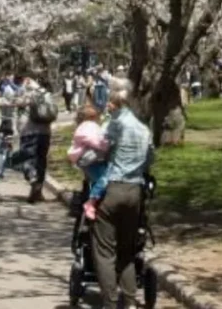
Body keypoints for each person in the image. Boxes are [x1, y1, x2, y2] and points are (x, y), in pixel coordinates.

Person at [92, 79, 153, 309]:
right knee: (127, 250)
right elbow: (149, 160)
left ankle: (110, 301)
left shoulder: (116, 125)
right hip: (134, 191)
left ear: (117, 102)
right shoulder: (143, 129)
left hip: (113, 188)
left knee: (105, 250)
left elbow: (100, 149)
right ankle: (129, 302)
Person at [8, 78, 57, 203]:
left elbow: (12, 102)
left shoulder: (26, 93)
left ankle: (33, 181)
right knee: (41, 161)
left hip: (29, 131)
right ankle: (38, 191)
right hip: (45, 132)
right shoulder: (46, 94)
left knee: (26, 159)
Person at [67, 103, 111, 220]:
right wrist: (107, 144)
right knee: (103, 179)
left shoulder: (86, 127)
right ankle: (91, 202)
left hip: (91, 160)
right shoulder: (86, 128)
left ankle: (92, 199)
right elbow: (96, 141)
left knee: (95, 180)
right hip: (88, 161)